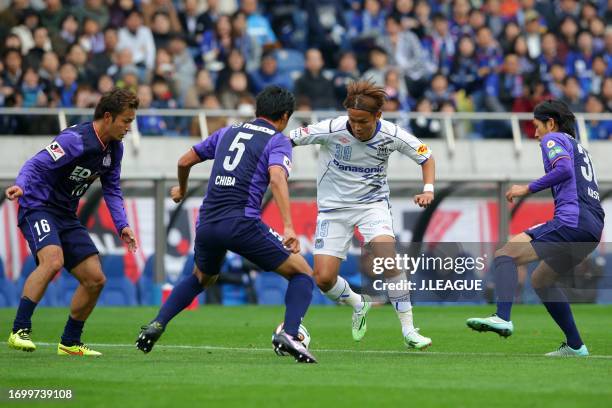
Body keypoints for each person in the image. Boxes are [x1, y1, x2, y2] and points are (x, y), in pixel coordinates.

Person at [136, 86, 317, 363]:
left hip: (208, 222)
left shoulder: (227, 132)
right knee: (302, 273)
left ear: (258, 111)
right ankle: (290, 334)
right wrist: (289, 226)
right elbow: (277, 178)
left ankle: (158, 323)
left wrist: (182, 190)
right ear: (284, 116)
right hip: (241, 222)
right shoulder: (277, 140)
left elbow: (184, 161)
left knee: (201, 278)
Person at [289, 80, 435, 349]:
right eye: (352, 119)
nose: (356, 126)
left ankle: (409, 330)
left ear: (377, 116)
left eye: (362, 121)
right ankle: (359, 304)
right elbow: (289, 138)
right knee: (323, 278)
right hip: (333, 210)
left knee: (388, 260)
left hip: (372, 206)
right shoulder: (330, 128)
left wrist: (428, 189)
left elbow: (426, 156)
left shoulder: (392, 134)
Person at [5, 88, 140, 356]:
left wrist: (122, 225)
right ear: (108, 117)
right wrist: (20, 185)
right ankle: (19, 330)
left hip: (66, 215)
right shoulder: (75, 139)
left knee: (95, 279)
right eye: (126, 121)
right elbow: (35, 164)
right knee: (53, 260)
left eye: (131, 122)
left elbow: (111, 189)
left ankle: (70, 342)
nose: (128, 127)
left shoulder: (115, 149)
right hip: (37, 206)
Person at [467, 100, 605, 357]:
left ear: (551, 123)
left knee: (505, 254)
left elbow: (563, 169)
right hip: (593, 228)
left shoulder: (552, 140)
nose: (536, 133)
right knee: (542, 279)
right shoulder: (580, 148)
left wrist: (525, 189)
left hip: (572, 221)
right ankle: (575, 345)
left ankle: (502, 317)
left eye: (537, 126)